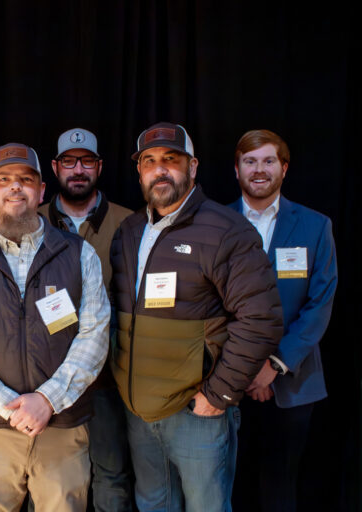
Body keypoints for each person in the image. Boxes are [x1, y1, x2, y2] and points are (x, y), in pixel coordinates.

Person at [109, 122, 283, 511]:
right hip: (139, 412)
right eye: (150, 161)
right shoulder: (129, 231)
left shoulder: (226, 230)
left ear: (193, 166)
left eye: (171, 159)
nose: (160, 169)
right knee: (153, 504)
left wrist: (218, 393)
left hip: (197, 412)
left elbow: (261, 318)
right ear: (139, 171)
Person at [0, 142, 110, 512]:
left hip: (61, 428)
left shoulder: (79, 254)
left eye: (26, 179)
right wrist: (9, 407)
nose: (16, 187)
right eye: (5, 180)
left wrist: (47, 400)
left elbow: (94, 337)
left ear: (41, 190)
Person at [229, 129, 337, 512]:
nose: (259, 170)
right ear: (237, 168)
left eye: (268, 160)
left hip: (294, 382)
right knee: (229, 486)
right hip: (227, 384)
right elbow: (204, 304)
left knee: (281, 487)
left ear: (284, 168)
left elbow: (319, 304)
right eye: (250, 161)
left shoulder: (315, 225)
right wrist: (245, 370)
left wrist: (274, 365)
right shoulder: (215, 224)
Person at [39, 127, 134, 511]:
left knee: (112, 476)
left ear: (100, 167)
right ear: (54, 167)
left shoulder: (131, 224)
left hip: (109, 379)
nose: (78, 169)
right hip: (47, 380)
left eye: (87, 161)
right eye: (68, 161)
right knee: (48, 482)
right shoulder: (33, 221)